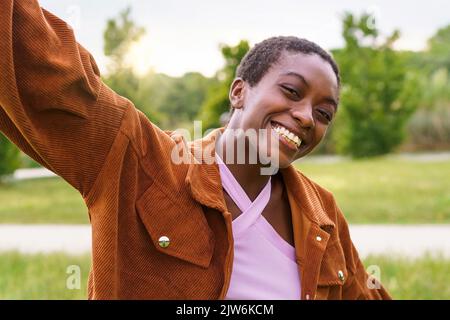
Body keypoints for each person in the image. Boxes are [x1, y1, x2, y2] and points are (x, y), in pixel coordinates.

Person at [0, 0, 391, 300]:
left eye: (324, 113)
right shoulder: (141, 161)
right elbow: (46, 69)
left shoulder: (323, 214)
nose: (306, 116)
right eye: (291, 91)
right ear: (239, 92)